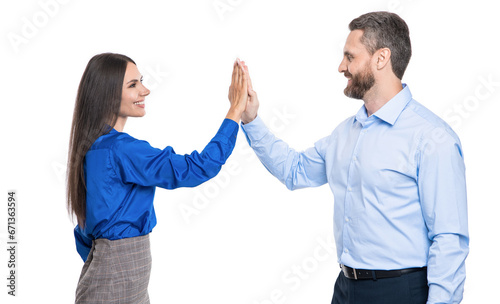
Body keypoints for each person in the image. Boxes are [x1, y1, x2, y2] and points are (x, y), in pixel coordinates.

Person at [238, 11, 469, 304]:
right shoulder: (345, 134)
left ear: (381, 58)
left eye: (350, 56)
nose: (341, 67)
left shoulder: (433, 139)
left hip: (400, 292)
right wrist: (251, 119)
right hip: (346, 289)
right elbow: (294, 171)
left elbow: (449, 238)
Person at [66, 53, 248, 303]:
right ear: (107, 94)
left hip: (123, 274)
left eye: (141, 81)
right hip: (117, 276)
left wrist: (108, 259)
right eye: (133, 85)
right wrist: (235, 111)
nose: (146, 90)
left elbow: (85, 232)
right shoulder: (121, 150)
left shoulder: (95, 148)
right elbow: (197, 168)